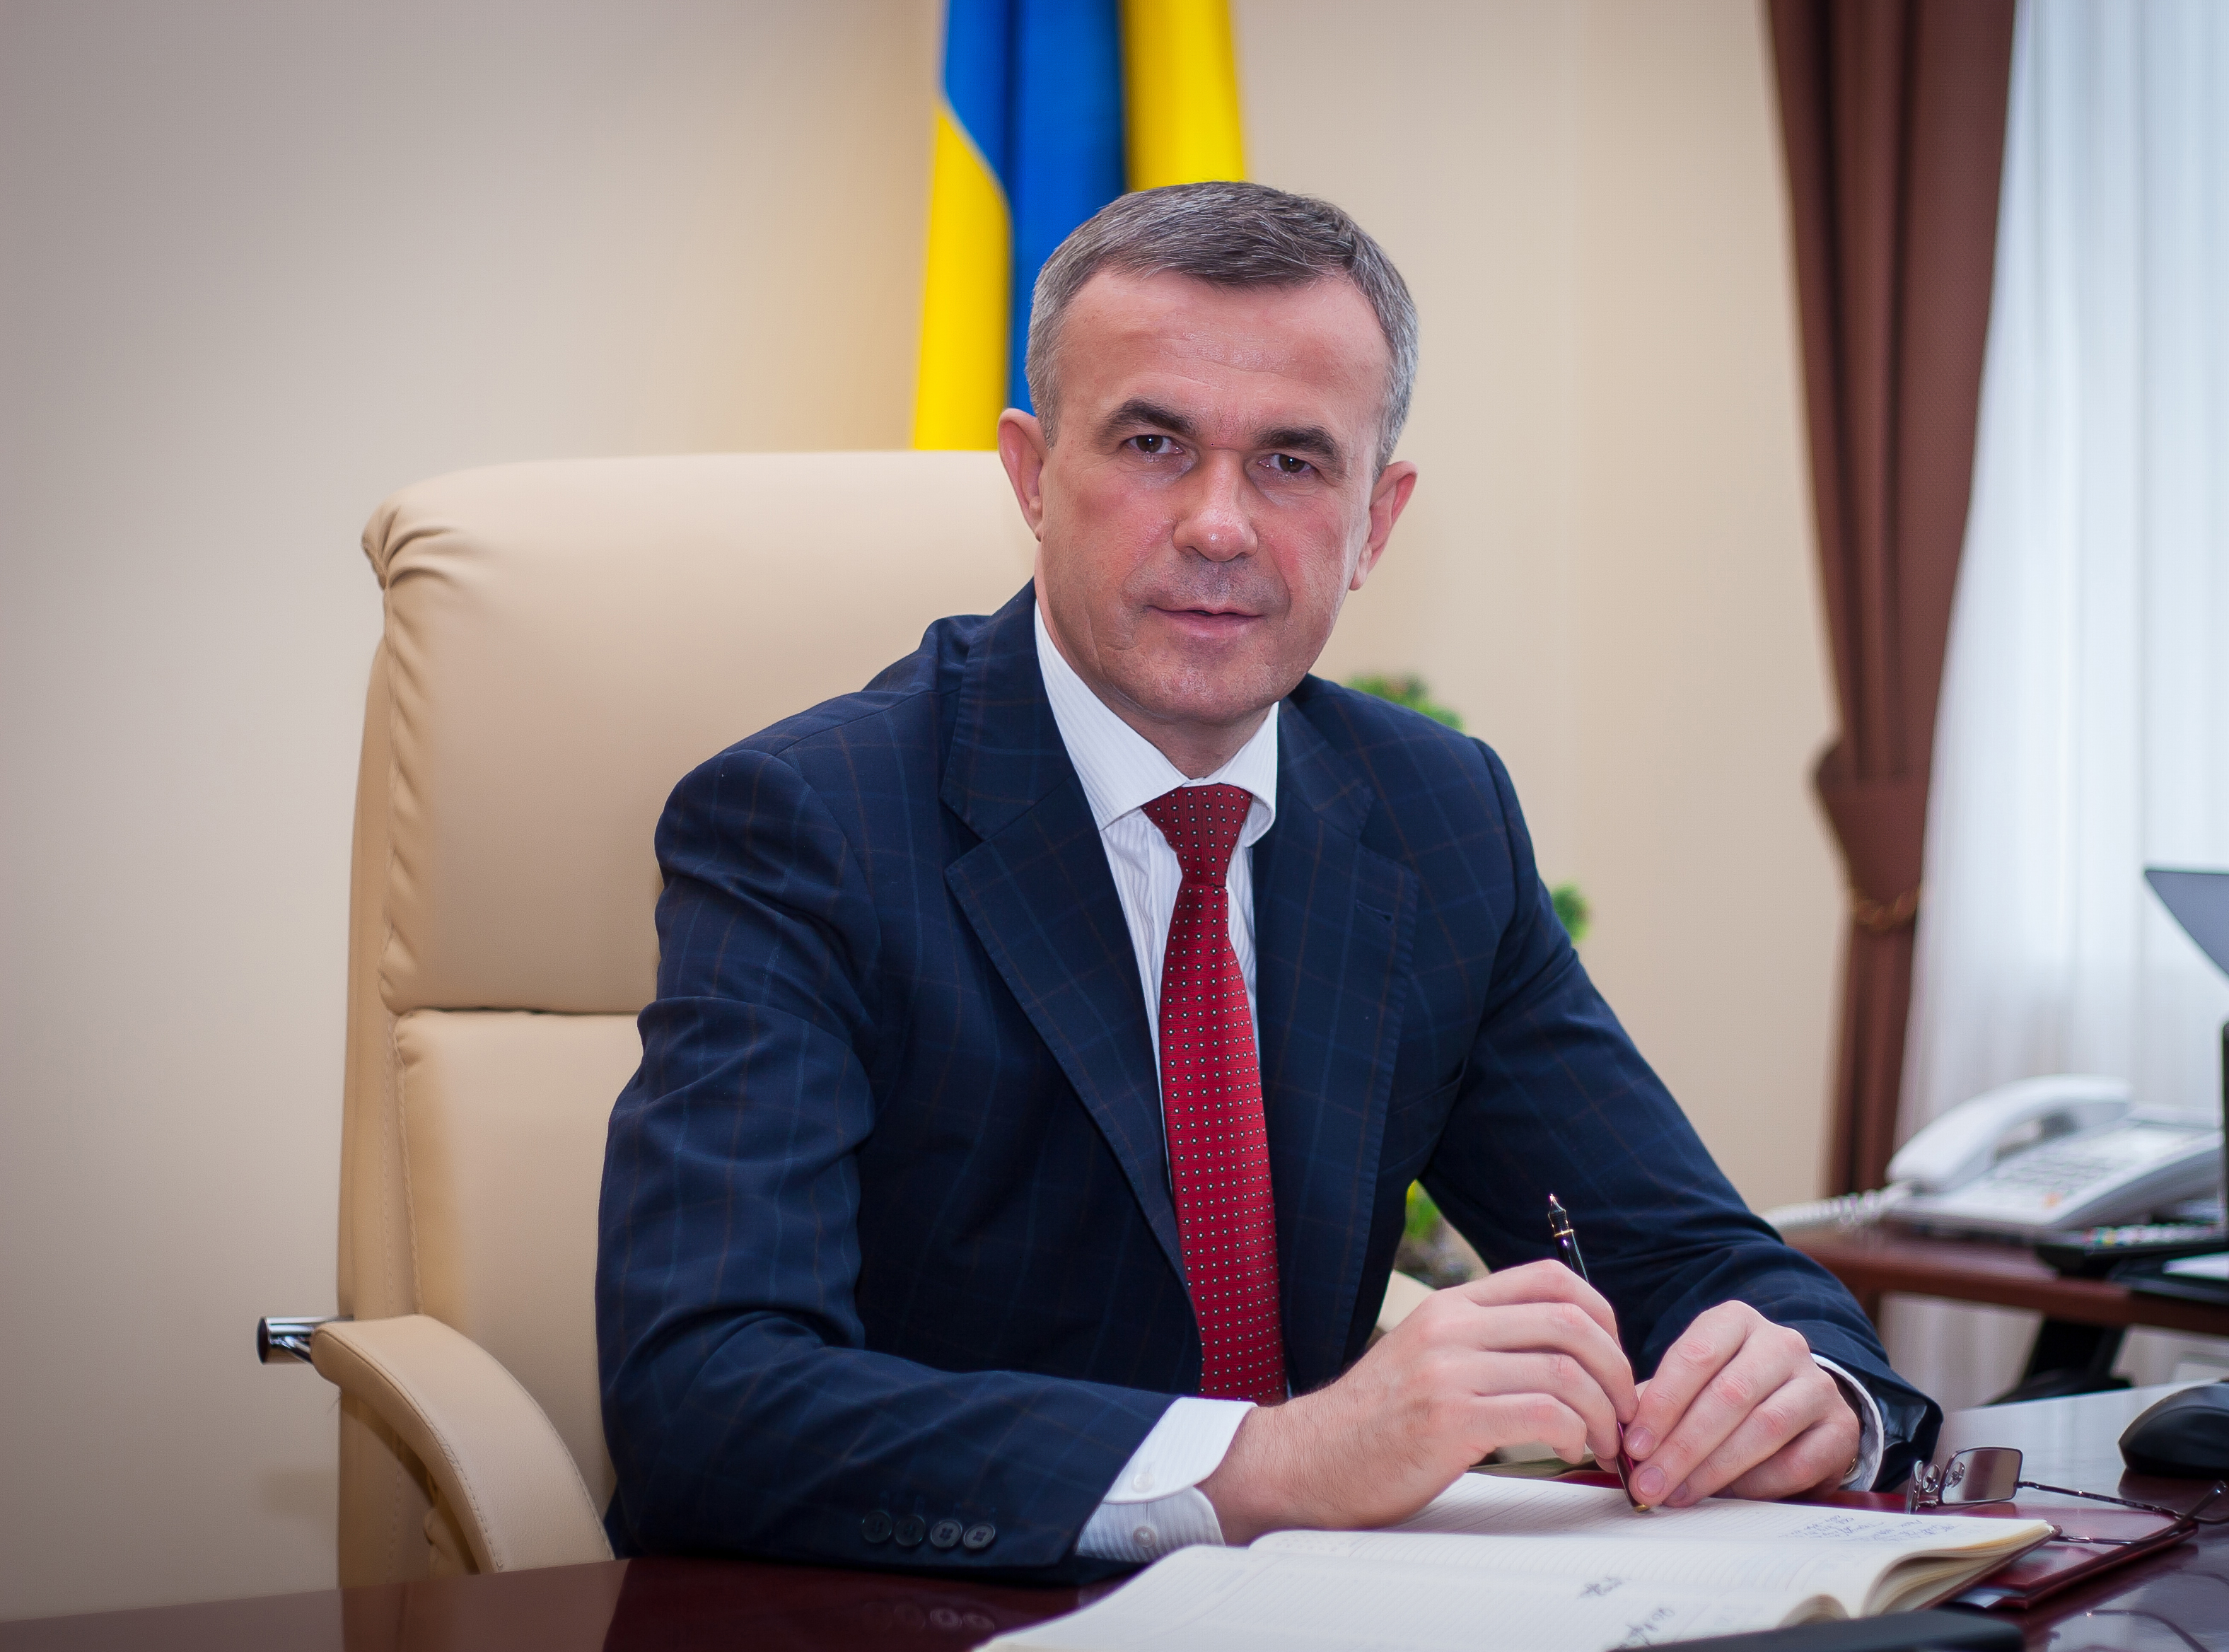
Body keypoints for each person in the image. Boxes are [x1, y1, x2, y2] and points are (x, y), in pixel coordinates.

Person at [596, 180, 1938, 1583]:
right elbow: (705, 1399)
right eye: (1154, 443)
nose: (1220, 525)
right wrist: (1273, 1465)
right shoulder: (810, 824)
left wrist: (1815, 1396)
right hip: (905, 1609)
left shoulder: (1434, 817)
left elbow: (1686, 1254)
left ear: (1377, 521)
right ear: (1031, 476)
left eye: (1295, 461)